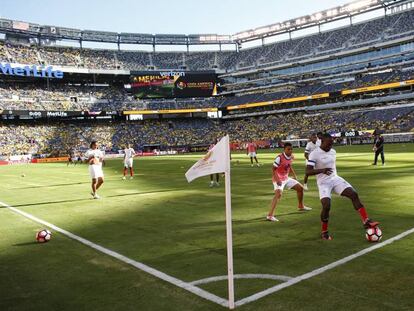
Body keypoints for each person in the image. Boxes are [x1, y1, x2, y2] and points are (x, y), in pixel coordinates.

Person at [306, 133, 379, 240]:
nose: (330, 147)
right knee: (326, 206)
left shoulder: (333, 151)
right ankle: (324, 231)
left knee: (353, 194)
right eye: (328, 144)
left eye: (331, 144)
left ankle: (366, 221)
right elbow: (307, 171)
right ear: (322, 142)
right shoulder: (314, 154)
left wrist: (329, 171)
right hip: (323, 183)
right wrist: (322, 170)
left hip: (335, 179)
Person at [266, 142, 311, 222]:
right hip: (278, 178)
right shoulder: (279, 157)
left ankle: (301, 206)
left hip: (286, 178)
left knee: (300, 188)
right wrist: (277, 179)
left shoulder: (292, 157)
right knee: (278, 194)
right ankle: (270, 215)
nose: (290, 151)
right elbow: (273, 169)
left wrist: (294, 175)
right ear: (284, 149)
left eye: (291, 149)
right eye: (288, 149)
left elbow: (289, 166)